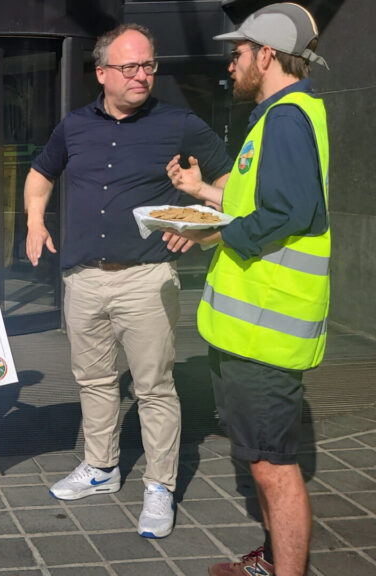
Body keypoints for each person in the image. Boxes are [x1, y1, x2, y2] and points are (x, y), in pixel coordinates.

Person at [23, 23, 231, 539]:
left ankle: (160, 486)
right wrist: (34, 221)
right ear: (102, 73)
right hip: (83, 279)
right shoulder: (74, 126)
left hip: (146, 279)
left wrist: (200, 227)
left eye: (148, 65)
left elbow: (231, 181)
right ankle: (101, 467)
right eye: (130, 66)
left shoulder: (179, 123)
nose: (142, 75)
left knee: (154, 387)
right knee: (93, 380)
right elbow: (40, 174)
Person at [165, 4, 330, 575]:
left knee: (272, 466)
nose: (230, 65)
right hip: (253, 327)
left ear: (266, 55)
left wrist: (212, 232)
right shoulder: (282, 115)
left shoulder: (284, 119)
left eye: (237, 54)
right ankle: (272, 561)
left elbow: (290, 212)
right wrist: (202, 194)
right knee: (263, 459)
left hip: (266, 329)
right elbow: (260, 203)